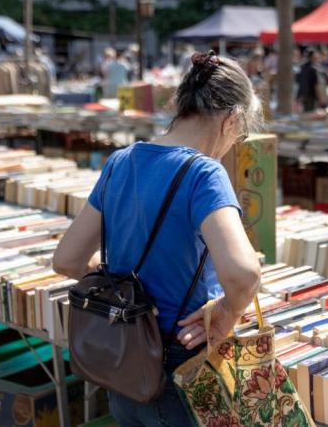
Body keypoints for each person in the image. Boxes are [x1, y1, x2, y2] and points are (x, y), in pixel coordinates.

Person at [53, 50, 262, 426]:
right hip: (178, 364)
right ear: (232, 120)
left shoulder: (120, 161)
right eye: (240, 135)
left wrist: (120, 286)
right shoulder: (204, 174)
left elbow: (66, 260)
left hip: (122, 360)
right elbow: (244, 274)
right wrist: (228, 313)